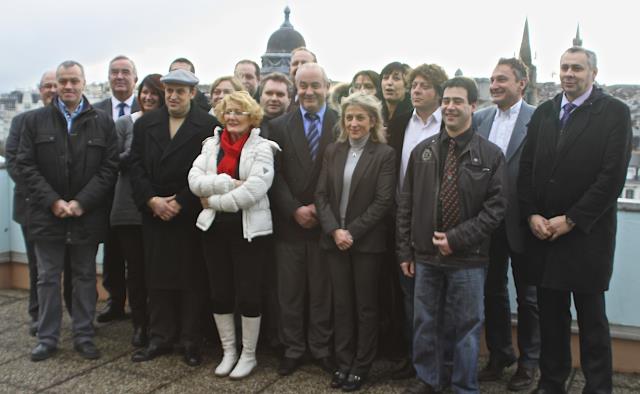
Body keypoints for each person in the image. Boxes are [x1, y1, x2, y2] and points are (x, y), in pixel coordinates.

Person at [518, 47, 632, 394]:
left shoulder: (614, 112)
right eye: (565, 67)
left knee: (592, 319)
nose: (569, 74)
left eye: (577, 69)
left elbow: (611, 178)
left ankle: (598, 387)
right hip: (545, 236)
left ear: (593, 74)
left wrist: (571, 220)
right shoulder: (545, 113)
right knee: (551, 319)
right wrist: (531, 214)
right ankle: (552, 382)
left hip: (586, 235)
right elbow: (526, 169)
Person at [397, 77, 507, 393]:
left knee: (466, 328)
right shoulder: (423, 152)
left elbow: (496, 208)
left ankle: (463, 385)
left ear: (474, 106)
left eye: (458, 101)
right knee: (425, 323)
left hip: (469, 258)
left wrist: (457, 238)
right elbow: (406, 205)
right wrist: (404, 251)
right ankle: (428, 379)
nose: (450, 107)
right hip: (426, 255)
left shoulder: (490, 155)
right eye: (446, 100)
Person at [18, 60, 119, 362]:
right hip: (46, 214)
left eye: (74, 80)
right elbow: (25, 165)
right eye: (63, 81)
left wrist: (81, 202)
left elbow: (109, 167)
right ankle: (47, 338)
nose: (68, 86)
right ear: (56, 85)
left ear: (84, 83)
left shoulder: (102, 121)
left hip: (85, 215)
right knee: (47, 278)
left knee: (85, 277)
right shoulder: (34, 121)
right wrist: (53, 201)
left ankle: (84, 335)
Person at [129, 69, 218, 366]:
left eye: (180, 90)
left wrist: (180, 201)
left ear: (192, 93)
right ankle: (160, 337)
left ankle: (190, 341)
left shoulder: (208, 125)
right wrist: (152, 201)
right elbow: (136, 167)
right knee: (157, 279)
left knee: (191, 280)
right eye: (169, 90)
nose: (173, 96)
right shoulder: (146, 124)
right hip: (154, 212)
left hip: (188, 214)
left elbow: (209, 172)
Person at [188, 90, 280, 379]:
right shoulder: (210, 145)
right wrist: (228, 183)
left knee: (249, 294)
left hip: (249, 232)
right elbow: (194, 181)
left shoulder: (264, 147)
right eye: (228, 111)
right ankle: (229, 351)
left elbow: (254, 190)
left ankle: (249, 355)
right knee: (220, 292)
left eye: (239, 111)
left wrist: (213, 199)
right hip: (214, 230)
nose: (232, 117)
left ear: (251, 116)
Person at [315, 93, 395, 391]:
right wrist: (335, 230)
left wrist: (352, 232)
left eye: (360, 117)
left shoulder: (384, 154)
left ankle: (362, 365)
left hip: (366, 244)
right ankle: (343, 362)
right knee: (342, 305)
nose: (354, 123)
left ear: (372, 120)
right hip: (335, 241)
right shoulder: (333, 151)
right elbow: (321, 195)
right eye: (349, 117)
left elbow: (383, 200)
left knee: (365, 307)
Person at [474, 58, 540, 391]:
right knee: (491, 291)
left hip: (523, 222)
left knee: (529, 297)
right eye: (492, 80)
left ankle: (529, 363)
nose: (495, 85)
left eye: (502, 79)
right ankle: (500, 355)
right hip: (487, 222)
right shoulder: (480, 118)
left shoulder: (539, 118)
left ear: (521, 84)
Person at [268, 62, 338, 376]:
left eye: (315, 85)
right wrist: (294, 209)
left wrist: (319, 212)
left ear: (326, 86)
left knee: (322, 292)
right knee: (290, 293)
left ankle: (321, 348)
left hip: (326, 224)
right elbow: (275, 175)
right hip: (290, 223)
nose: (309, 92)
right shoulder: (280, 125)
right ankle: (293, 348)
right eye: (303, 86)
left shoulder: (340, 123)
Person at [386, 63, 449, 380]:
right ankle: (413, 358)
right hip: (402, 217)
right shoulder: (399, 122)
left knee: (437, 298)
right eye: (414, 85)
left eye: (424, 85)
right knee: (408, 294)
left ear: (438, 92)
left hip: (439, 222)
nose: (416, 90)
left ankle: (438, 363)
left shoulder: (447, 123)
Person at [5, 70, 74, 336]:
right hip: (33, 208)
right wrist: (47, 197)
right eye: (46, 86)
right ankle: (38, 315)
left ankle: (74, 314)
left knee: (71, 265)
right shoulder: (23, 121)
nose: (52, 91)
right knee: (39, 268)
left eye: (54, 86)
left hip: (68, 208)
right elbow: (15, 164)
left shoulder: (72, 121)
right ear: (40, 90)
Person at [110, 74, 165, 348]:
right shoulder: (125, 123)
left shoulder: (167, 124)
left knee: (157, 269)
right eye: (144, 92)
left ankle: (159, 324)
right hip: (128, 207)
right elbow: (112, 161)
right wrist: (137, 152)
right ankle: (139, 325)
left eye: (154, 93)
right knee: (135, 270)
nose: (148, 97)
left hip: (157, 206)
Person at [94, 55, 141, 324]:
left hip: (135, 196)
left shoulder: (146, 105)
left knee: (136, 256)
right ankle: (115, 301)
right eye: (114, 72)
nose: (120, 76)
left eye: (125, 72)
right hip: (105, 194)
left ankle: (139, 304)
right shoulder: (95, 109)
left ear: (135, 77)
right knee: (111, 251)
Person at [378, 62, 412, 130]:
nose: (389, 82)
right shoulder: (375, 113)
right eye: (385, 78)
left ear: (407, 86)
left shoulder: (413, 115)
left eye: (396, 78)